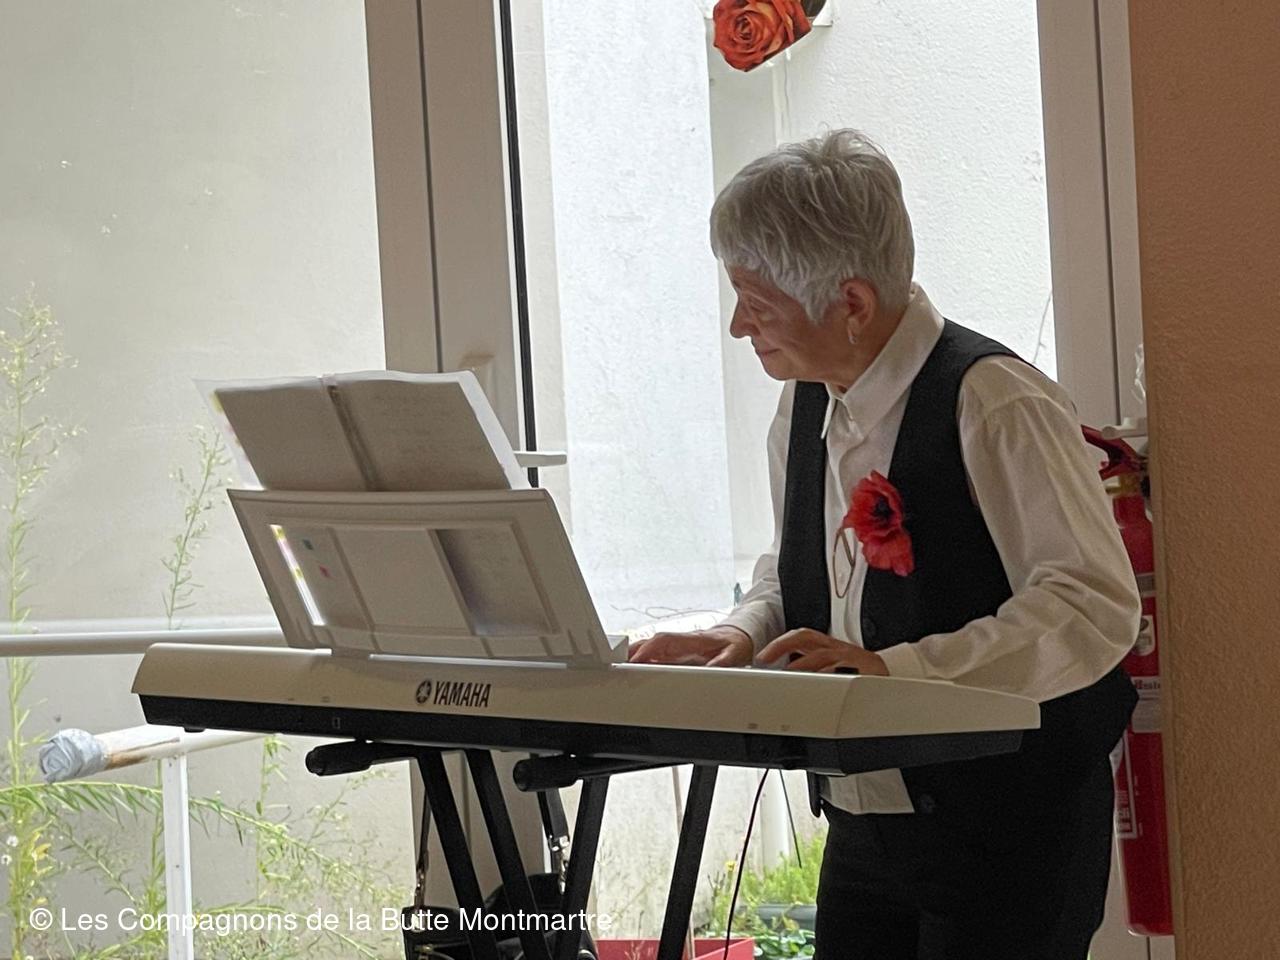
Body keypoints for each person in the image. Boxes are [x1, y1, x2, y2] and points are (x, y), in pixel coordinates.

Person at [628, 129, 1140, 959]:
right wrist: (742, 631)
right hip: (864, 823)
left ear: (853, 303)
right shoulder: (802, 402)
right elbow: (799, 569)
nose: (736, 325)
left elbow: (1091, 608)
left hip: (1009, 828)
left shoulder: (995, 401)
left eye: (755, 301)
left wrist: (895, 674)